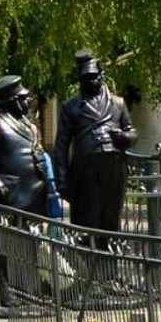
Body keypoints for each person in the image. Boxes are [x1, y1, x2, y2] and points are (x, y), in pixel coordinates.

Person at [0, 74, 48, 309]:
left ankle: (27, 292)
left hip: (31, 196)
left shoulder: (26, 123)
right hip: (8, 197)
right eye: (24, 98)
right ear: (12, 100)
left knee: (26, 246)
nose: (29, 102)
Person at [54, 51, 137, 238]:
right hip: (85, 172)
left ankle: (109, 263)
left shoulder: (118, 103)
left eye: (94, 76)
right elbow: (61, 146)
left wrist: (124, 138)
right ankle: (88, 263)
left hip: (114, 169)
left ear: (102, 75)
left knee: (110, 220)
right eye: (86, 78)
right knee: (87, 222)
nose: (91, 81)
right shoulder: (71, 107)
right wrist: (62, 180)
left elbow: (132, 131)